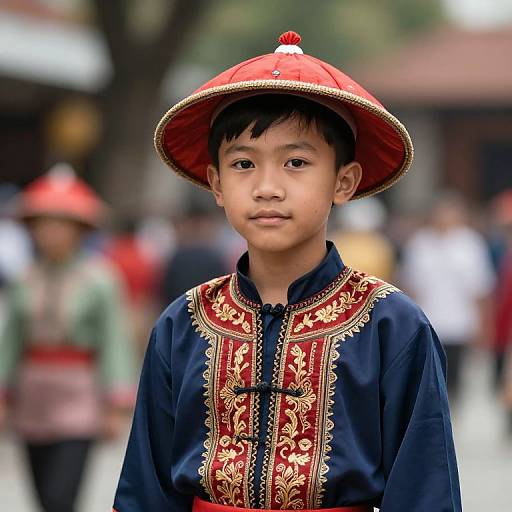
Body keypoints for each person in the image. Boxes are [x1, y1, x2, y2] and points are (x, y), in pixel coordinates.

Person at [114, 32, 461, 511]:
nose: (267, 187)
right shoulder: (183, 324)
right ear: (215, 183)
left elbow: (426, 489)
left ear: (344, 181)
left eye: (296, 162)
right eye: (242, 164)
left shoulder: (392, 325)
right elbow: (146, 489)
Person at [0, 164, 136, 512]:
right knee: (42, 495)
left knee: (63, 495)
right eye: (44, 223)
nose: (52, 232)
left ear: (79, 230)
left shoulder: (100, 279)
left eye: (62, 224)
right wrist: (3, 395)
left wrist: (115, 403)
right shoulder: (24, 278)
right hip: (32, 395)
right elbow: (11, 341)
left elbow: (113, 341)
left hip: (79, 395)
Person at [401, 191, 495, 402]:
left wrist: (483, 325)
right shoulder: (420, 243)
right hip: (428, 321)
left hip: (460, 323)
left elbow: (480, 288)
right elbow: (409, 285)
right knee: (428, 377)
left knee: (455, 379)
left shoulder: (470, 244)